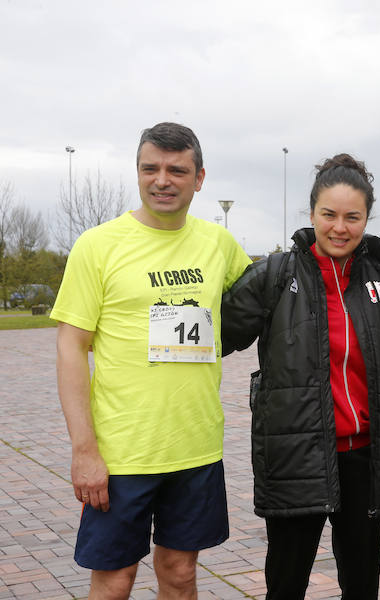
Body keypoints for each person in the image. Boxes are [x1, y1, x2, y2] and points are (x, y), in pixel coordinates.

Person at [52, 122, 251, 599]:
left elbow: (265, 303)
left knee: (180, 572)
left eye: (176, 170)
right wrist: (84, 450)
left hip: (196, 447)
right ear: (138, 172)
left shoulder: (219, 244)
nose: (162, 180)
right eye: (150, 169)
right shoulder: (98, 245)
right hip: (122, 452)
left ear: (199, 178)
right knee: (115, 580)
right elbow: (70, 347)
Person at [220, 154, 380, 600]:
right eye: (329, 215)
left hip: (365, 458)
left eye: (352, 217)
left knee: (361, 587)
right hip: (295, 457)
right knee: (286, 585)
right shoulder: (274, 276)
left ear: (366, 219)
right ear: (311, 214)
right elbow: (214, 335)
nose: (340, 227)